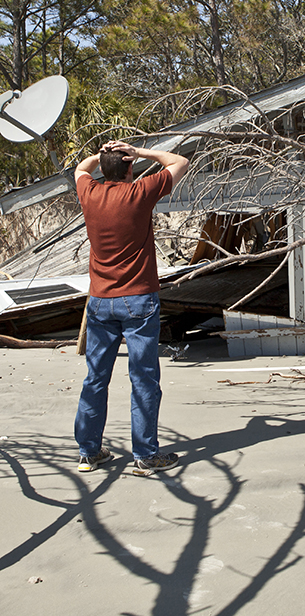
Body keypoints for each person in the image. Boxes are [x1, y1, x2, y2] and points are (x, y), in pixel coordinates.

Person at [74, 140, 189, 476]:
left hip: (100, 301)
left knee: (96, 378)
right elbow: (178, 161)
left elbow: (80, 169)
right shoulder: (139, 192)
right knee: (143, 379)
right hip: (138, 298)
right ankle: (146, 454)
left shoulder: (90, 193)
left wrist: (104, 156)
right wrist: (139, 152)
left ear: (104, 170)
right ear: (129, 169)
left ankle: (89, 452)